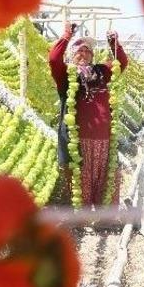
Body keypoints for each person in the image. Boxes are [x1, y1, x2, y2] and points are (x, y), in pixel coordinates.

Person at [49, 23, 128, 206]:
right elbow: (53, 59)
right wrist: (67, 35)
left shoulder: (101, 72)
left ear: (92, 55)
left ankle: (104, 218)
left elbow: (122, 63)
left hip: (104, 141)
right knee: (80, 188)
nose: (83, 54)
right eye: (79, 50)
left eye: (87, 51)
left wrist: (113, 42)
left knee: (106, 186)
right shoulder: (65, 75)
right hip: (78, 143)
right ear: (72, 54)